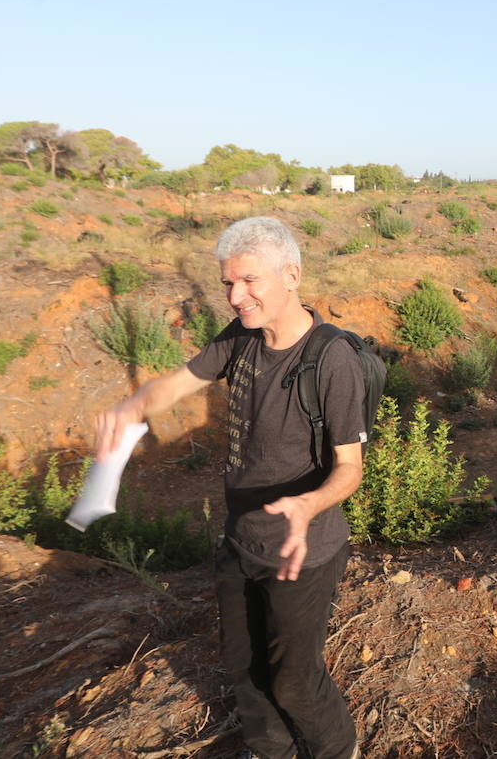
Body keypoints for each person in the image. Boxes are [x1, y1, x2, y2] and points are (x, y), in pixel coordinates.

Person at [94, 216, 364, 759]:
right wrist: (132, 407)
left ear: (291, 275)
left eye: (249, 282)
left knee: (293, 677)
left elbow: (349, 468)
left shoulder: (332, 359)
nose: (235, 296)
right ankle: (271, 752)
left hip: (301, 551)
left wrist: (308, 505)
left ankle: (338, 750)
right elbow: (181, 381)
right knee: (243, 666)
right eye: (227, 283)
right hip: (240, 540)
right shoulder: (241, 336)